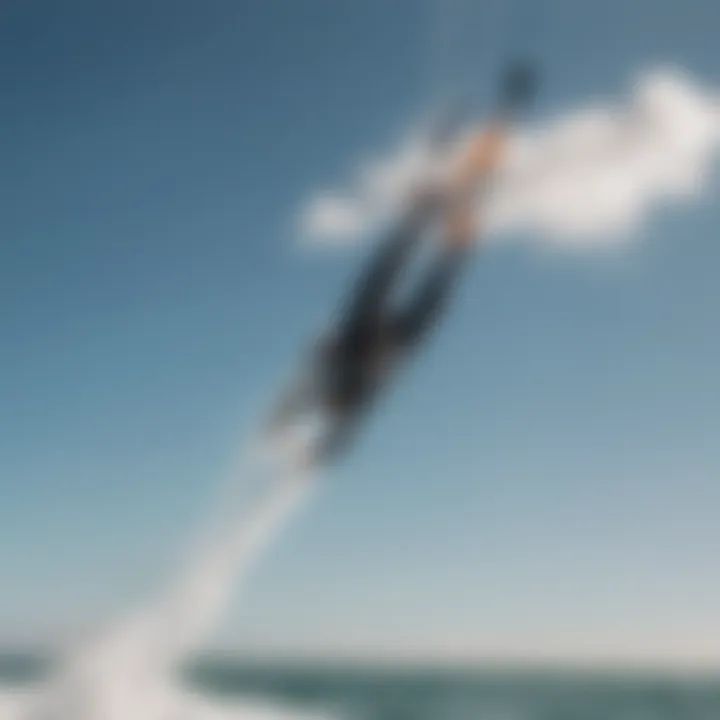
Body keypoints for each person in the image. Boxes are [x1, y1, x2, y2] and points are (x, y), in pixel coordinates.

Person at [266, 63, 538, 468]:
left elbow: (385, 269)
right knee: (429, 289)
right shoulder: (355, 388)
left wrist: (417, 218)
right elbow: (331, 429)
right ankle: (445, 211)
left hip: (366, 340)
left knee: (392, 276)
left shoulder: (341, 359)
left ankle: (436, 206)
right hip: (383, 347)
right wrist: (307, 450)